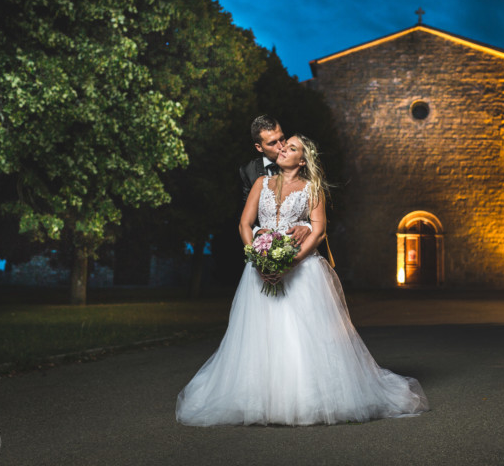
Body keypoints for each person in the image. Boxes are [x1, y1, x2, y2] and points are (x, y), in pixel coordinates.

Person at [176, 134, 429, 426]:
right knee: (259, 335)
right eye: (283, 146)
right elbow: (245, 224)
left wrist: (291, 263)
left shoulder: (312, 188)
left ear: (303, 159)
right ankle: (260, 398)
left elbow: (319, 231)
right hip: (258, 270)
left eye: (291, 147)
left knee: (299, 335)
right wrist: (256, 257)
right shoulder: (261, 183)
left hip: (302, 271)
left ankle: (304, 399)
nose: (283, 149)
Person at [239, 114, 310, 245]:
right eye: (272, 143)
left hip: (302, 247)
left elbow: (324, 207)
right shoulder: (249, 171)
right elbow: (244, 216)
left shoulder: (301, 162)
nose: (281, 146)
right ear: (259, 147)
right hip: (265, 248)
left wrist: (309, 228)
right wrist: (257, 233)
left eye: (282, 139)